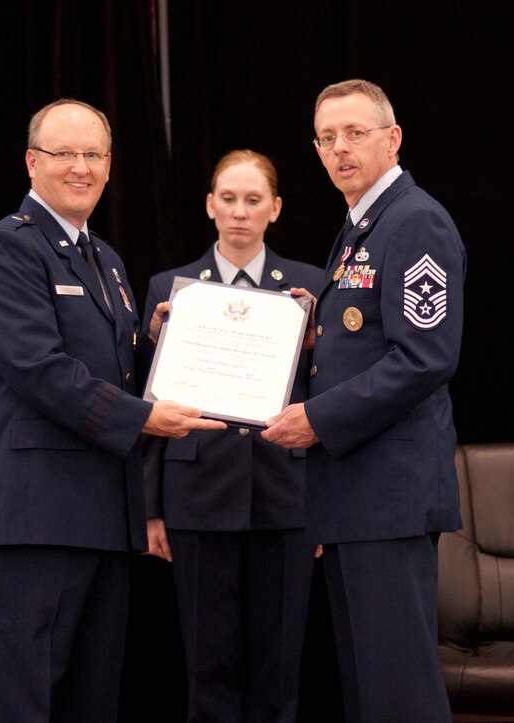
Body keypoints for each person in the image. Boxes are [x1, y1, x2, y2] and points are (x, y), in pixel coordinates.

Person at [0, 98, 225, 722]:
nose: (80, 167)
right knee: (29, 703)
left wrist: (163, 341)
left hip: (103, 519)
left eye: (94, 155)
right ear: (32, 162)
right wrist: (144, 419)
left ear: (109, 166)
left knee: (92, 703)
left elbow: (114, 363)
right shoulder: (8, 249)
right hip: (38, 518)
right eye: (64, 154)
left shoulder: (104, 260)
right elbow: (42, 371)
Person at [262, 79, 465, 721]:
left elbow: (424, 357)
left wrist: (317, 419)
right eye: (327, 138)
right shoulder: (360, 225)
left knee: (398, 694)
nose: (340, 149)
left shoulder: (415, 220)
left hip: (389, 496)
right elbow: (371, 336)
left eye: (355, 133)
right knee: (369, 695)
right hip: (355, 496)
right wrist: (311, 329)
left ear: (392, 138)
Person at [141, 149, 324, 722]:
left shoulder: (310, 288)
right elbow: (145, 413)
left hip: (288, 495)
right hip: (196, 496)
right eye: (228, 198)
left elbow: (327, 403)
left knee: (279, 670)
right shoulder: (171, 290)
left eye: (252, 200)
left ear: (275, 208)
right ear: (209, 206)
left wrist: (327, 506)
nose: (239, 212)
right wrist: (150, 509)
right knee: (207, 668)